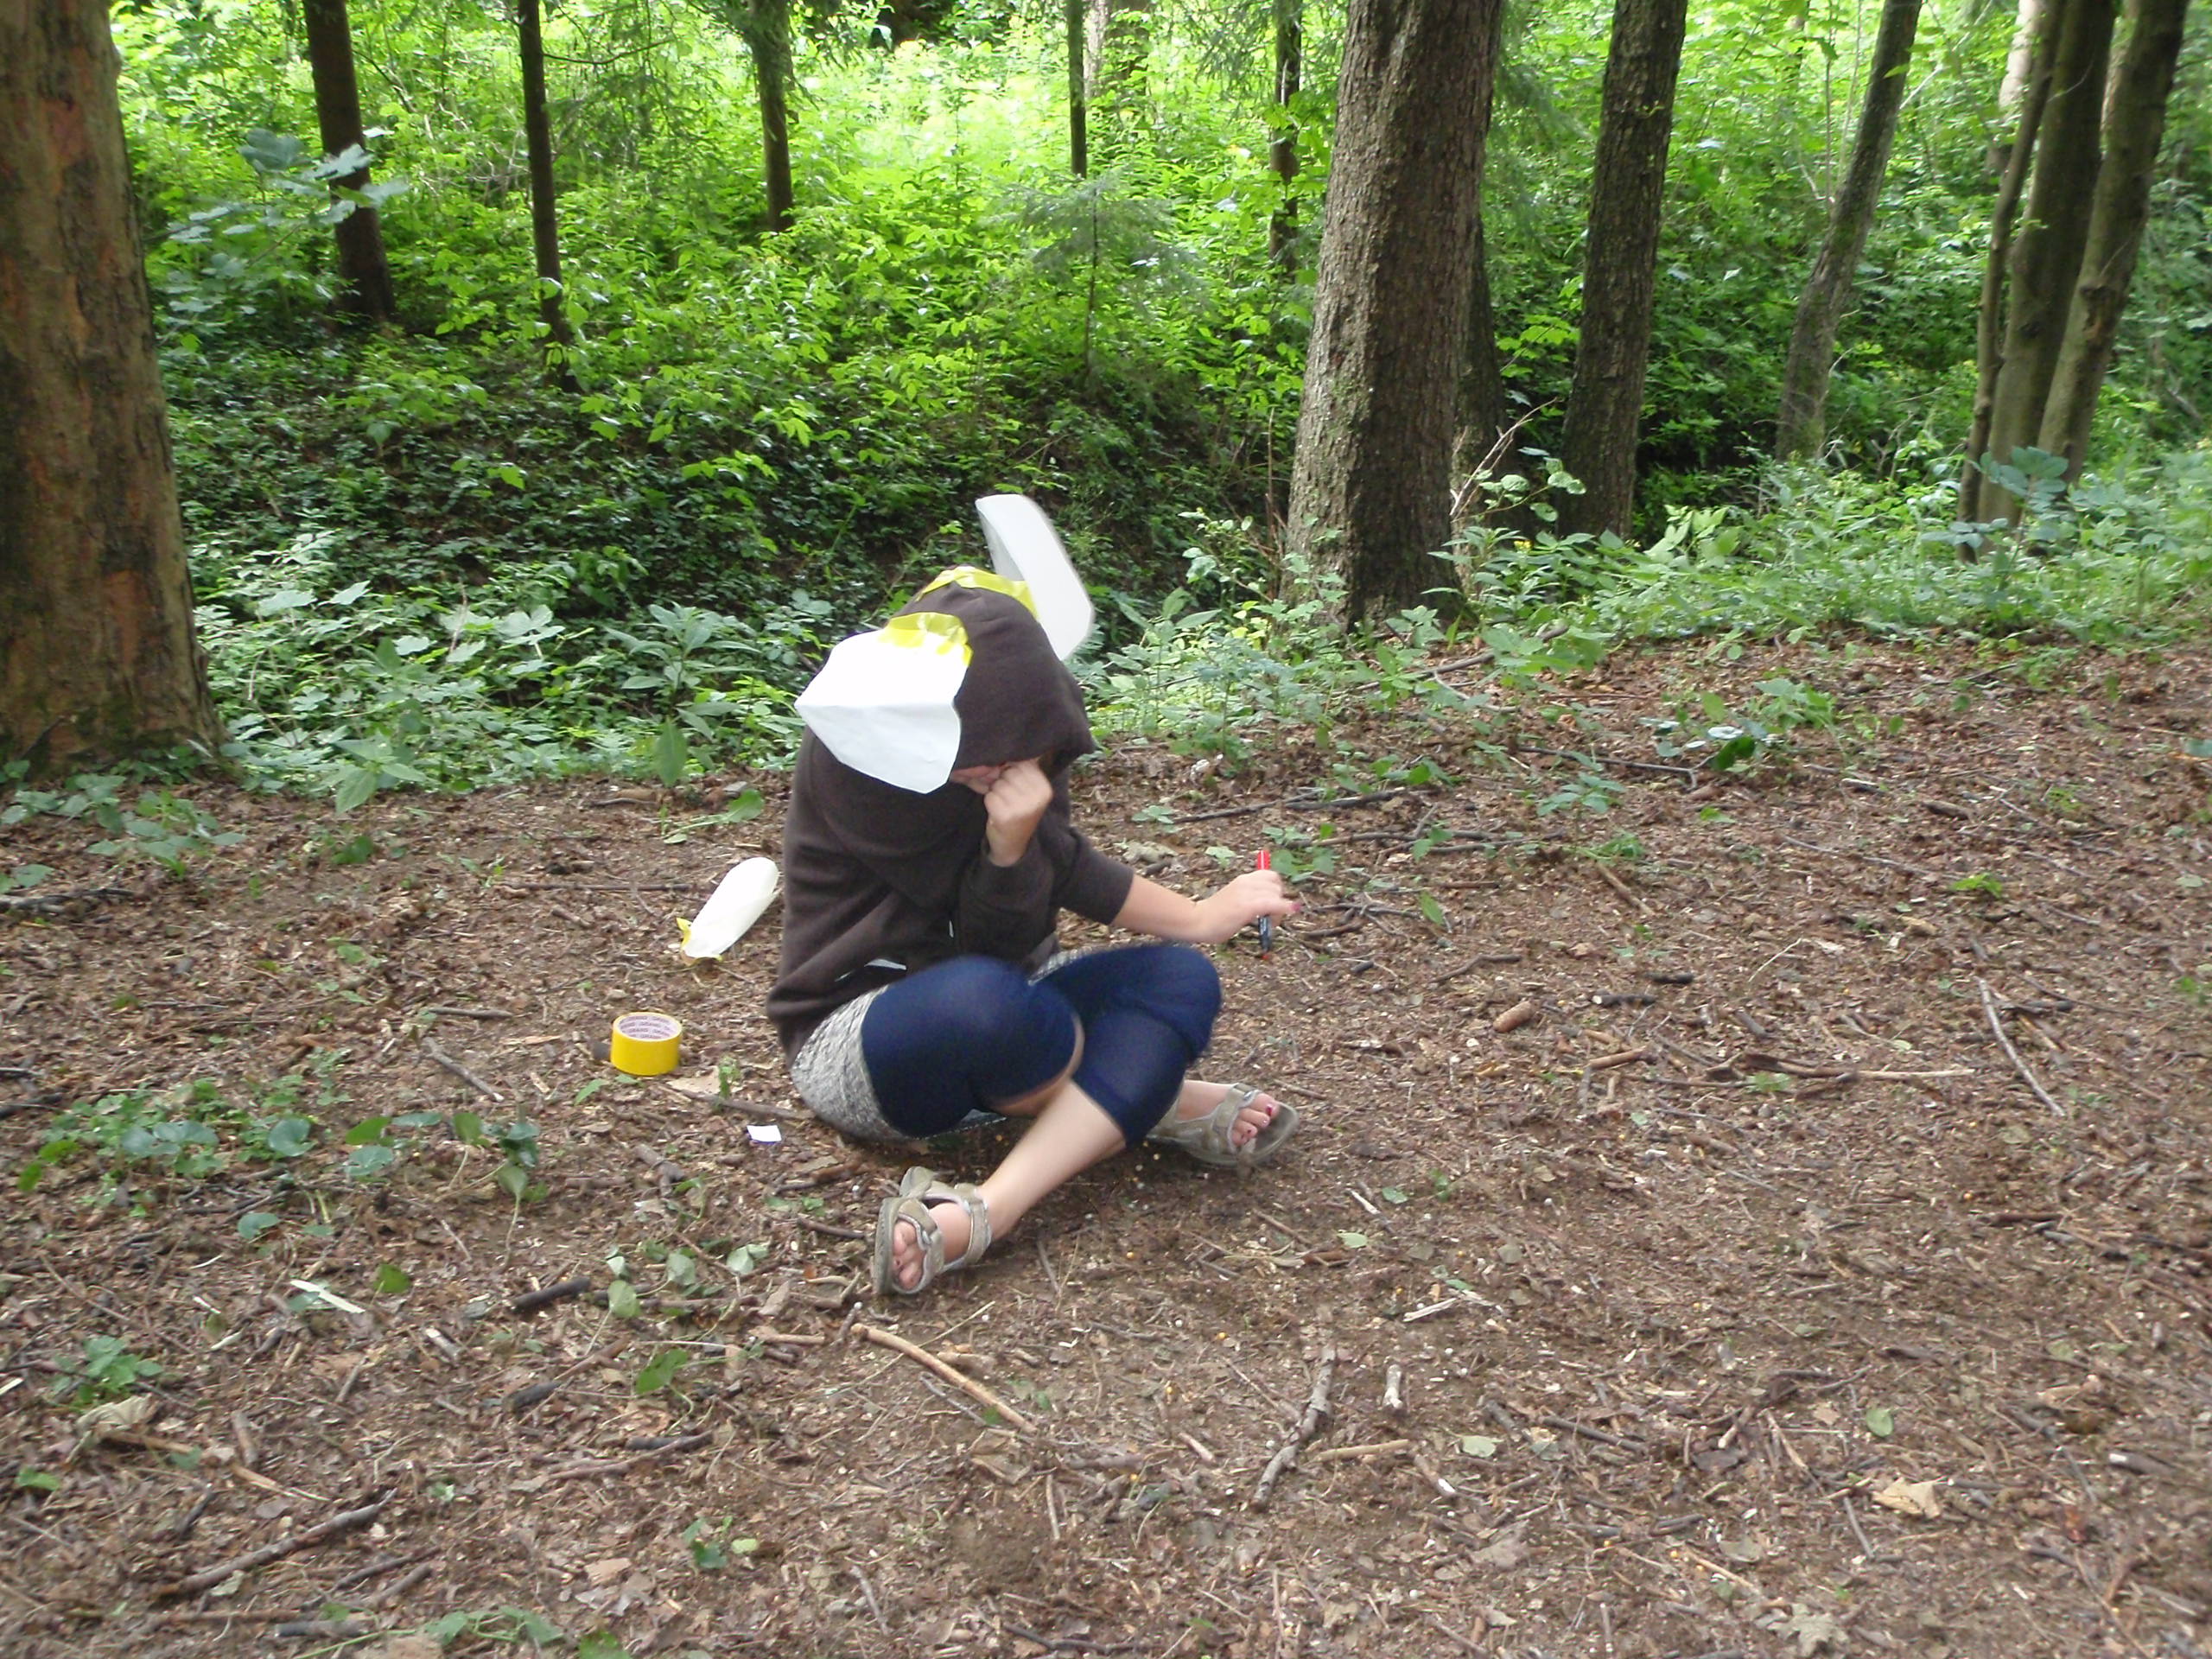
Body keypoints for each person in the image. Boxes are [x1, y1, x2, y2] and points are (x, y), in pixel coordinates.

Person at [767, 567, 1300, 1295]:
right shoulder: (863, 752)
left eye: (1017, 748)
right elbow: (984, 950)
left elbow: (1065, 876)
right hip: (865, 1031)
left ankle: (987, 1209)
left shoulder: (1021, 751)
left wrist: (1203, 917)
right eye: (983, 751)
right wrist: (1007, 849)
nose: (996, 768)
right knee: (987, 1002)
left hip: (1016, 1000)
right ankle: (1145, 1100)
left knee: (1179, 977)